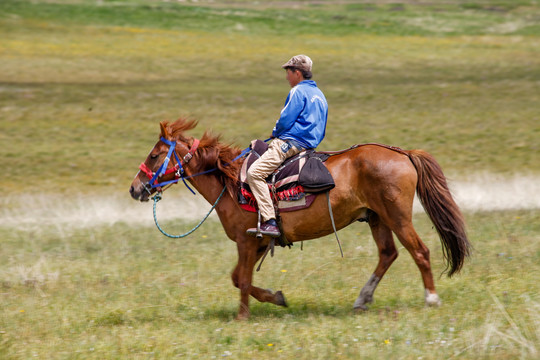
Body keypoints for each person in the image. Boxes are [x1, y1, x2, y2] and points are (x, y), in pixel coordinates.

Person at [246, 54, 329, 237]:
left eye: (288, 72)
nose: (286, 77)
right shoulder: (320, 95)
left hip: (289, 144)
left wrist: (275, 132)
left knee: (255, 173)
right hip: (309, 146)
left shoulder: (298, 92)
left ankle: (270, 221)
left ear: (297, 73)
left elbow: (286, 119)